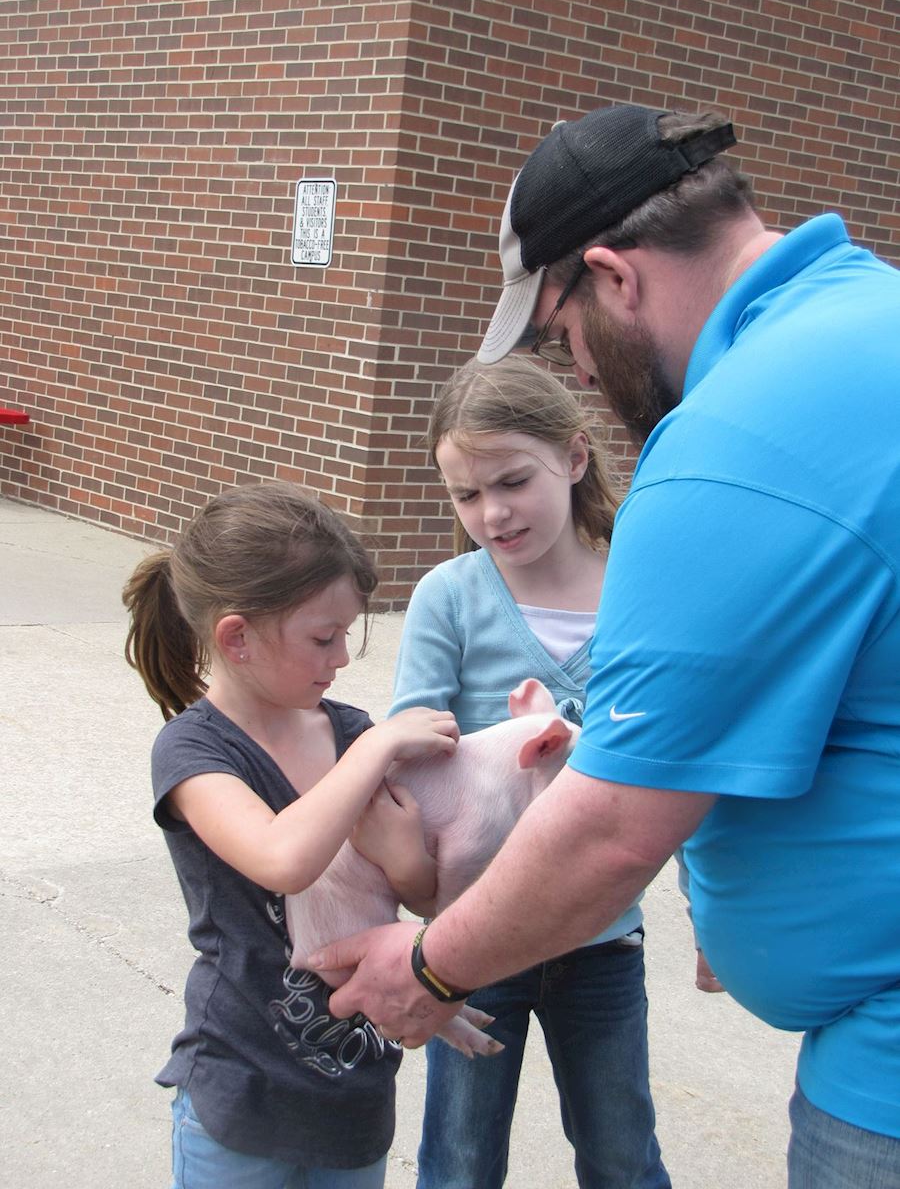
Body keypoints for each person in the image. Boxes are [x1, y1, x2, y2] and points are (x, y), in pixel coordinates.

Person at [309, 103, 900, 1188]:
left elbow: (613, 831)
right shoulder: (870, 327)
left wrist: (430, 971)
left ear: (612, 277)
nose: (577, 368)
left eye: (560, 336)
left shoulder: (731, 444)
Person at [122, 481, 459, 1189]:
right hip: (242, 1098)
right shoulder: (193, 753)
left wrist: (409, 865)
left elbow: (435, 903)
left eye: (347, 634)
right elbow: (283, 858)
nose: (341, 659)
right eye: (322, 637)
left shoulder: (349, 731)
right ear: (236, 637)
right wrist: (373, 754)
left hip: (355, 1090)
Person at [389, 354, 669, 1188]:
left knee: (622, 1151)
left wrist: (712, 907)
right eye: (466, 495)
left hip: (603, 933)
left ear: (576, 458)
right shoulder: (450, 595)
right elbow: (407, 747)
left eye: (513, 480)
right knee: (461, 1159)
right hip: (479, 939)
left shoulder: (643, 585)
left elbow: (676, 755)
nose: (491, 512)